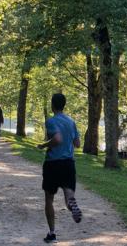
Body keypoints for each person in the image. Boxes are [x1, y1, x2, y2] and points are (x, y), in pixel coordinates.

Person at [36, 93, 82, 243]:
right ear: (64, 105)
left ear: (52, 105)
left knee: (49, 199)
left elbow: (57, 139)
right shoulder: (71, 121)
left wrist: (44, 145)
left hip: (53, 164)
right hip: (69, 164)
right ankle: (72, 205)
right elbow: (77, 144)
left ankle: (52, 233)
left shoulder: (51, 121)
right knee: (69, 197)